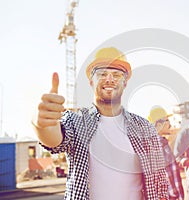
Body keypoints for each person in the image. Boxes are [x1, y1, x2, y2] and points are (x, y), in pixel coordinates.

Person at [31, 47, 169, 200]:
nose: (109, 79)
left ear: (125, 83)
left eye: (116, 74)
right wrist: (42, 125)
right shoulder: (76, 120)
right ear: (91, 81)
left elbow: (159, 183)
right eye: (102, 74)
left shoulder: (145, 128)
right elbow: (55, 139)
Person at [148, 106, 185, 200]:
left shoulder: (164, 143)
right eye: (167, 120)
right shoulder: (152, 147)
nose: (170, 123)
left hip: (173, 196)